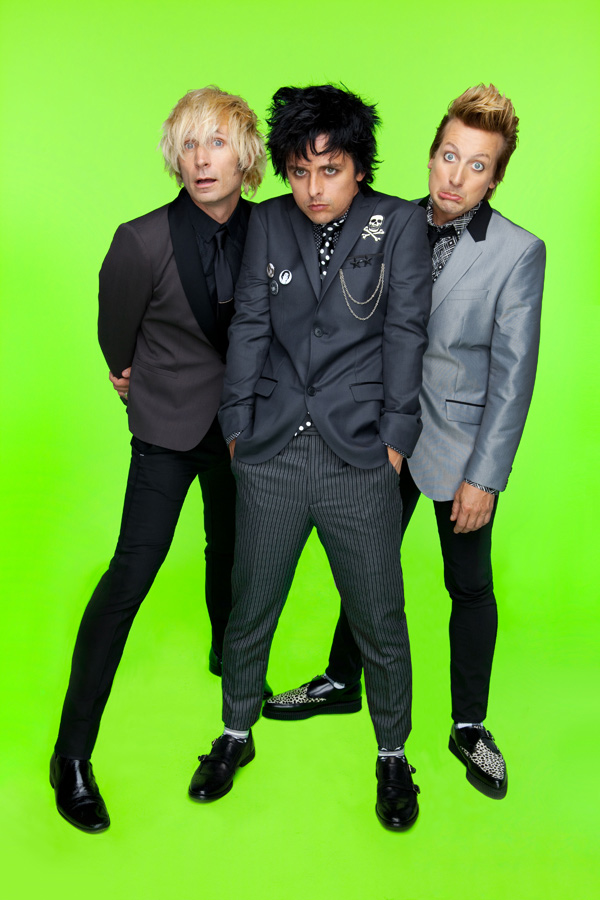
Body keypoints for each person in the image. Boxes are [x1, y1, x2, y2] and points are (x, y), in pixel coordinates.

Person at [264, 85, 546, 802]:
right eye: (449, 155)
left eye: (477, 165)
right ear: (429, 155)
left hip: (456, 447)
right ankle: (341, 681)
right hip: (373, 433)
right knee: (364, 567)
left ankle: (469, 726)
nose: (456, 176)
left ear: (496, 178)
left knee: (468, 586)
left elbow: (513, 378)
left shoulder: (518, 254)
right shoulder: (376, 220)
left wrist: (486, 476)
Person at [187, 84, 431, 831]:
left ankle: (393, 755)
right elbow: (251, 327)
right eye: (299, 171)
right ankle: (235, 733)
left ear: (358, 166)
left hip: (360, 456)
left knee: (379, 615)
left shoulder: (400, 222)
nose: (313, 188)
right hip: (271, 452)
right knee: (250, 605)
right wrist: (237, 426)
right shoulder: (267, 222)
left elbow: (406, 333)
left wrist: (395, 441)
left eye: (330, 170)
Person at [50, 87, 268, 833]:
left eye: (216, 143)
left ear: (245, 157)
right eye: (188, 145)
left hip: (243, 431)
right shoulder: (139, 240)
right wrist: (139, 385)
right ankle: (71, 756)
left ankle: (230, 671)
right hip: (167, 427)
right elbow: (117, 341)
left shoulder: (272, 228)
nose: (201, 159)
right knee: (130, 576)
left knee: (233, 555)